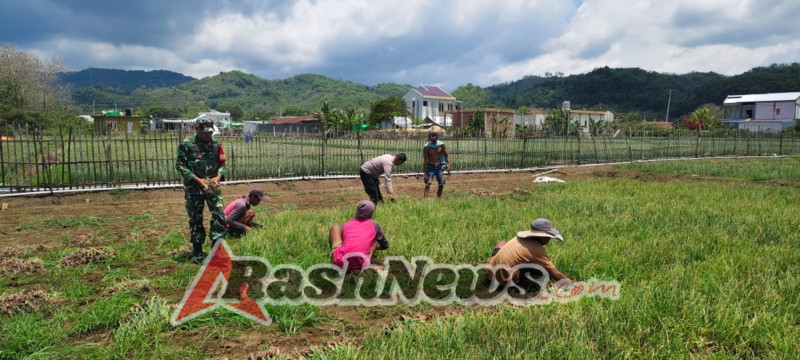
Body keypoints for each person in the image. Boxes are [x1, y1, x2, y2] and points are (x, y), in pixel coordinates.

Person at [175, 117, 227, 261]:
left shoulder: (217, 145)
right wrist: (198, 180)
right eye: (205, 132)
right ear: (196, 129)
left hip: (212, 187)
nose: (208, 135)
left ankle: (216, 249)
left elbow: (223, 165)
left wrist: (217, 178)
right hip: (194, 188)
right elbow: (180, 166)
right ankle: (197, 251)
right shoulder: (187, 145)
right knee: (195, 218)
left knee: (219, 214)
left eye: (210, 132)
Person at [486, 218, 571, 290]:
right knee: (541, 270)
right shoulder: (537, 250)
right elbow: (556, 275)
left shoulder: (520, 239)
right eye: (548, 237)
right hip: (502, 282)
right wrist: (574, 285)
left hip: (490, 272)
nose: (549, 239)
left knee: (501, 243)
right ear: (541, 236)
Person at [328, 200, 389, 272]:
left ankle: (333, 253)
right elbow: (385, 245)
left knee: (335, 227)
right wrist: (374, 247)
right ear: (371, 213)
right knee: (375, 239)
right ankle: (367, 257)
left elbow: (346, 242)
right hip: (362, 264)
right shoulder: (374, 224)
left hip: (341, 263)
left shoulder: (347, 224)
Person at [422, 132, 451, 198]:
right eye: (431, 140)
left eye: (434, 140)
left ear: (437, 138)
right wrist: (425, 173)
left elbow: (446, 155)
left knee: (441, 184)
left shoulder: (441, 145)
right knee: (427, 184)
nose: (433, 141)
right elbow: (426, 160)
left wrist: (448, 164)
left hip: (439, 167)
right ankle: (425, 200)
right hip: (430, 167)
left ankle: (438, 198)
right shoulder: (427, 147)